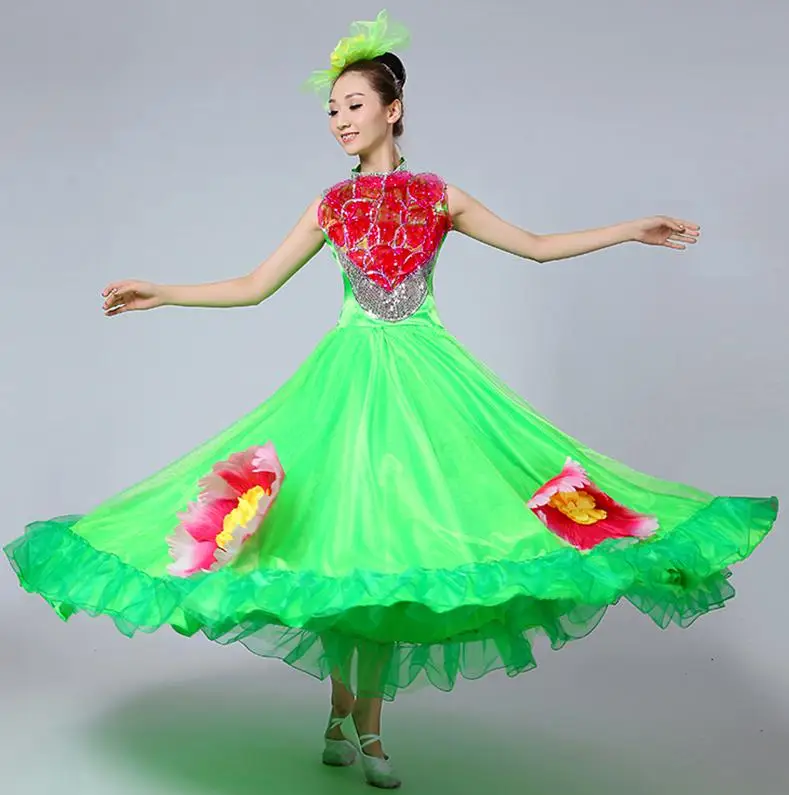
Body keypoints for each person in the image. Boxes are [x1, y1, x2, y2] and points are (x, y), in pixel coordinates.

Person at [4, 10, 778, 791]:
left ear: (392, 108)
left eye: (353, 104)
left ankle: (355, 722)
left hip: (424, 385)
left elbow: (536, 247)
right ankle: (352, 721)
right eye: (331, 109)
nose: (340, 120)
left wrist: (629, 229)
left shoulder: (438, 196)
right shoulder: (330, 205)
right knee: (346, 548)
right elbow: (254, 285)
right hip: (345, 388)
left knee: (392, 550)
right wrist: (163, 292)